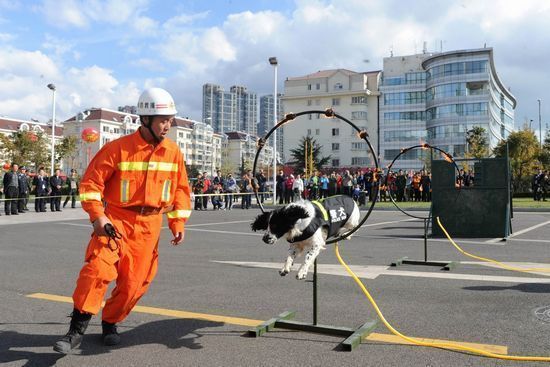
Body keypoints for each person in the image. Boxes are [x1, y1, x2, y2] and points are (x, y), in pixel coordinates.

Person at [53, 87, 192, 354]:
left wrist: (177, 223)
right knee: (97, 271)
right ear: (145, 120)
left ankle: (110, 322)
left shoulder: (173, 153)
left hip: (150, 228)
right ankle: (75, 332)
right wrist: (98, 216)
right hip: (115, 222)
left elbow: (180, 190)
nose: (168, 125)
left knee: (133, 285)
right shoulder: (117, 148)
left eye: (170, 119)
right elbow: (91, 184)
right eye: (163, 120)